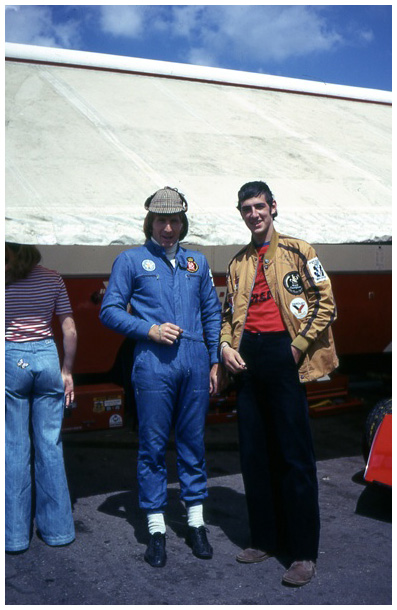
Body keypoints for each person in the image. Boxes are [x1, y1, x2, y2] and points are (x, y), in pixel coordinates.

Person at [220, 181, 338, 587]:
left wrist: (298, 346)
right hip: (247, 358)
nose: (253, 214)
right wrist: (223, 348)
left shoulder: (300, 250)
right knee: (255, 454)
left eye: (259, 206)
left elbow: (326, 301)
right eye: (246, 209)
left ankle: (303, 553)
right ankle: (265, 539)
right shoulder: (238, 263)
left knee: (294, 456)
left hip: (284, 355)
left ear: (273, 207)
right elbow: (225, 316)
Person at [100, 187, 222, 568]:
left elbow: (212, 314)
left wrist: (215, 361)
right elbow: (109, 311)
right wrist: (148, 330)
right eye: (161, 220)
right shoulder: (131, 260)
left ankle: (196, 523)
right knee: (152, 447)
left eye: (174, 220)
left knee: (193, 443)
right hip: (153, 365)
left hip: (195, 362)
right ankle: (155, 528)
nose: (168, 228)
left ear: (183, 222)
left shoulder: (196, 262)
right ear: (149, 222)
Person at [5, 243, 77, 553]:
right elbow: (69, 329)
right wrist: (67, 371)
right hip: (47, 357)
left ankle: (15, 536)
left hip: (11, 358)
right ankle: (58, 530)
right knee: (50, 445)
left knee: (14, 446)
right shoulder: (53, 277)